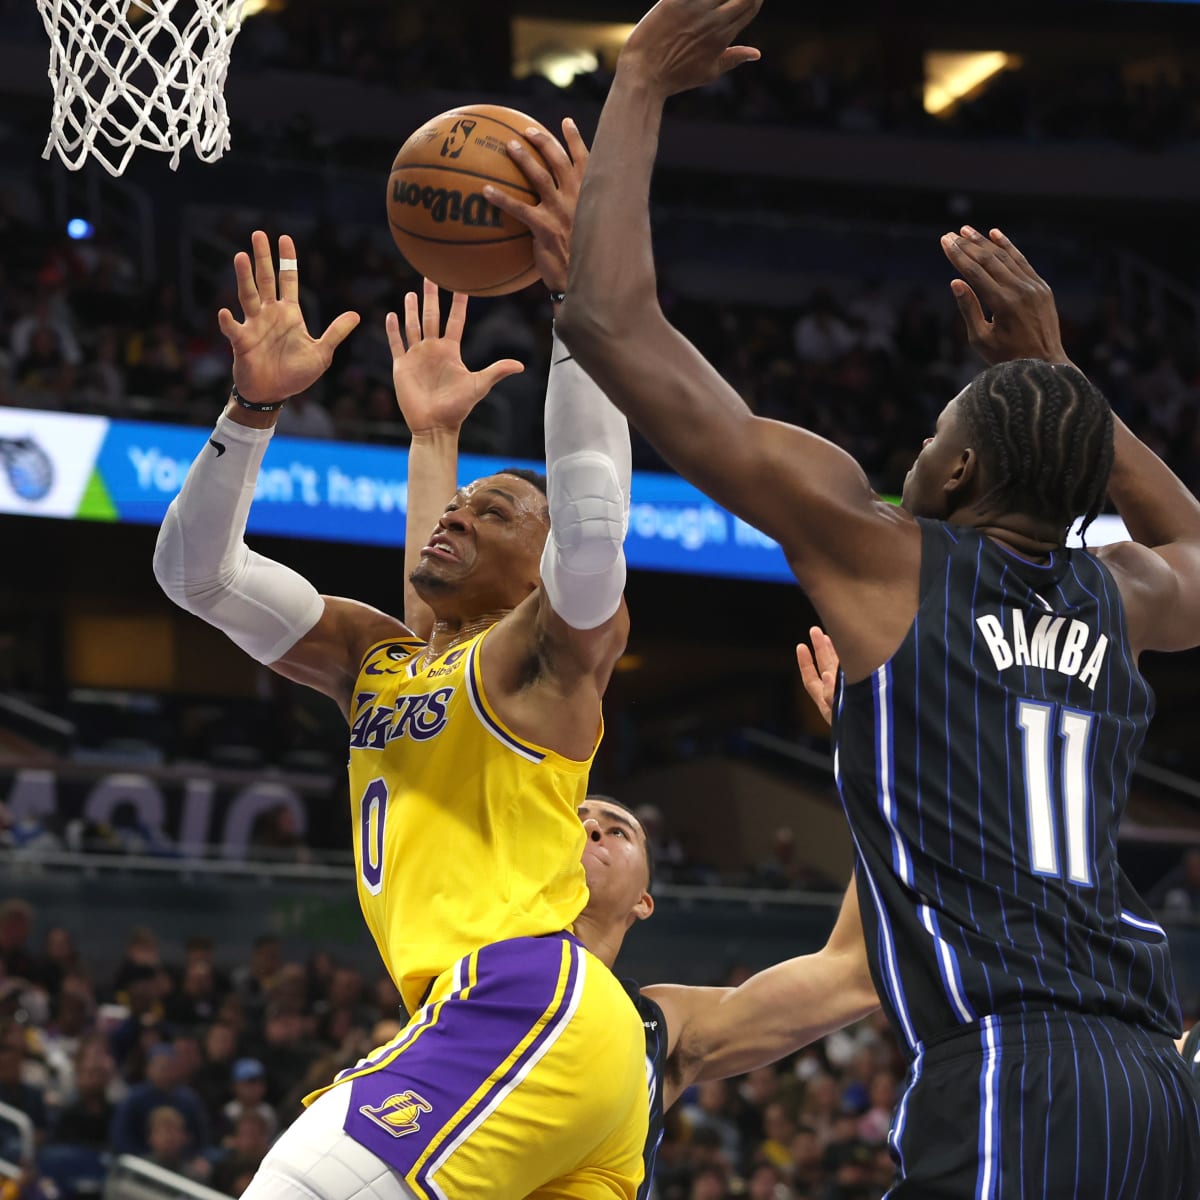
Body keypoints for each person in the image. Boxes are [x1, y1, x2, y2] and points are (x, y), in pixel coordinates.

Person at [556, 3, 1200, 1193]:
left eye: (934, 429)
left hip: (1018, 1067)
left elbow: (611, 325)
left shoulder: (889, 560)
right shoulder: (1124, 596)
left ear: (955, 472)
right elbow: (1194, 537)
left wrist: (639, 81)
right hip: (1154, 1079)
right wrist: (1053, 375)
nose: (917, 443)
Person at [154, 120, 649, 1199]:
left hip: (522, 1000)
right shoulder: (375, 659)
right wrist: (257, 408)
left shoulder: (547, 659)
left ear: (540, 566)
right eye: (457, 503)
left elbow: (596, 518)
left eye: (497, 510)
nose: (458, 516)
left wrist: (578, 313)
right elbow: (195, 576)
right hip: (506, 1031)